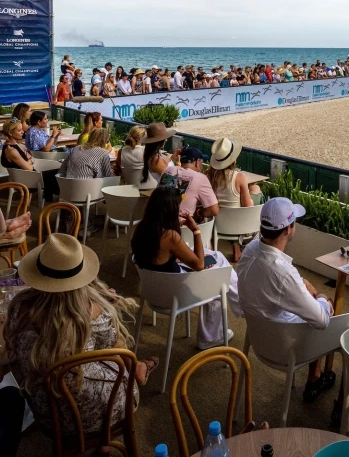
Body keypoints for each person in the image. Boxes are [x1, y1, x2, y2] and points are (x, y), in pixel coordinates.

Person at [4, 234, 158, 437]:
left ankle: (137, 368)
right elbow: (117, 351)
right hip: (96, 415)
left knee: (89, 356)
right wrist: (107, 305)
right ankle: (137, 369)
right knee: (119, 355)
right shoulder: (93, 311)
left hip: (46, 412)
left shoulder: (19, 308)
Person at [236, 197, 337, 402]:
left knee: (306, 304)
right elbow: (322, 320)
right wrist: (321, 295)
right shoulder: (283, 274)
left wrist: (302, 288)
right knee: (328, 311)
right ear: (289, 229)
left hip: (258, 339)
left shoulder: (249, 250)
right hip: (284, 348)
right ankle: (317, 380)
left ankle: (315, 376)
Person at [130, 186, 234, 349]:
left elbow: (157, 258)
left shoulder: (142, 229)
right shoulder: (169, 236)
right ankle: (211, 337)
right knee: (219, 280)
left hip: (153, 290)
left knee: (216, 259)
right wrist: (196, 231)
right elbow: (199, 265)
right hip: (174, 294)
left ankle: (240, 301)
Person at [140, 124, 219, 219]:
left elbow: (174, 180)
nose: (166, 139)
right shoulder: (156, 159)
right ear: (197, 163)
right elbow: (214, 210)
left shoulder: (167, 169)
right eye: (164, 138)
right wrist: (199, 212)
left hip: (159, 221)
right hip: (181, 227)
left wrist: (174, 161)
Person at [1, 120, 58, 203]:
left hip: (29, 176)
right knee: (57, 173)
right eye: (19, 130)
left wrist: (29, 159)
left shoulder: (15, 145)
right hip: (28, 180)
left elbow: (29, 159)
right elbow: (29, 167)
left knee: (58, 170)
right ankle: (57, 200)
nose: (22, 132)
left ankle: (50, 199)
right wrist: (30, 160)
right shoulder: (11, 150)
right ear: (10, 133)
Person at [206, 138, 255, 209]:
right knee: (256, 189)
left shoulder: (207, 176)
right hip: (237, 219)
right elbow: (248, 208)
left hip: (216, 219)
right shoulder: (239, 177)